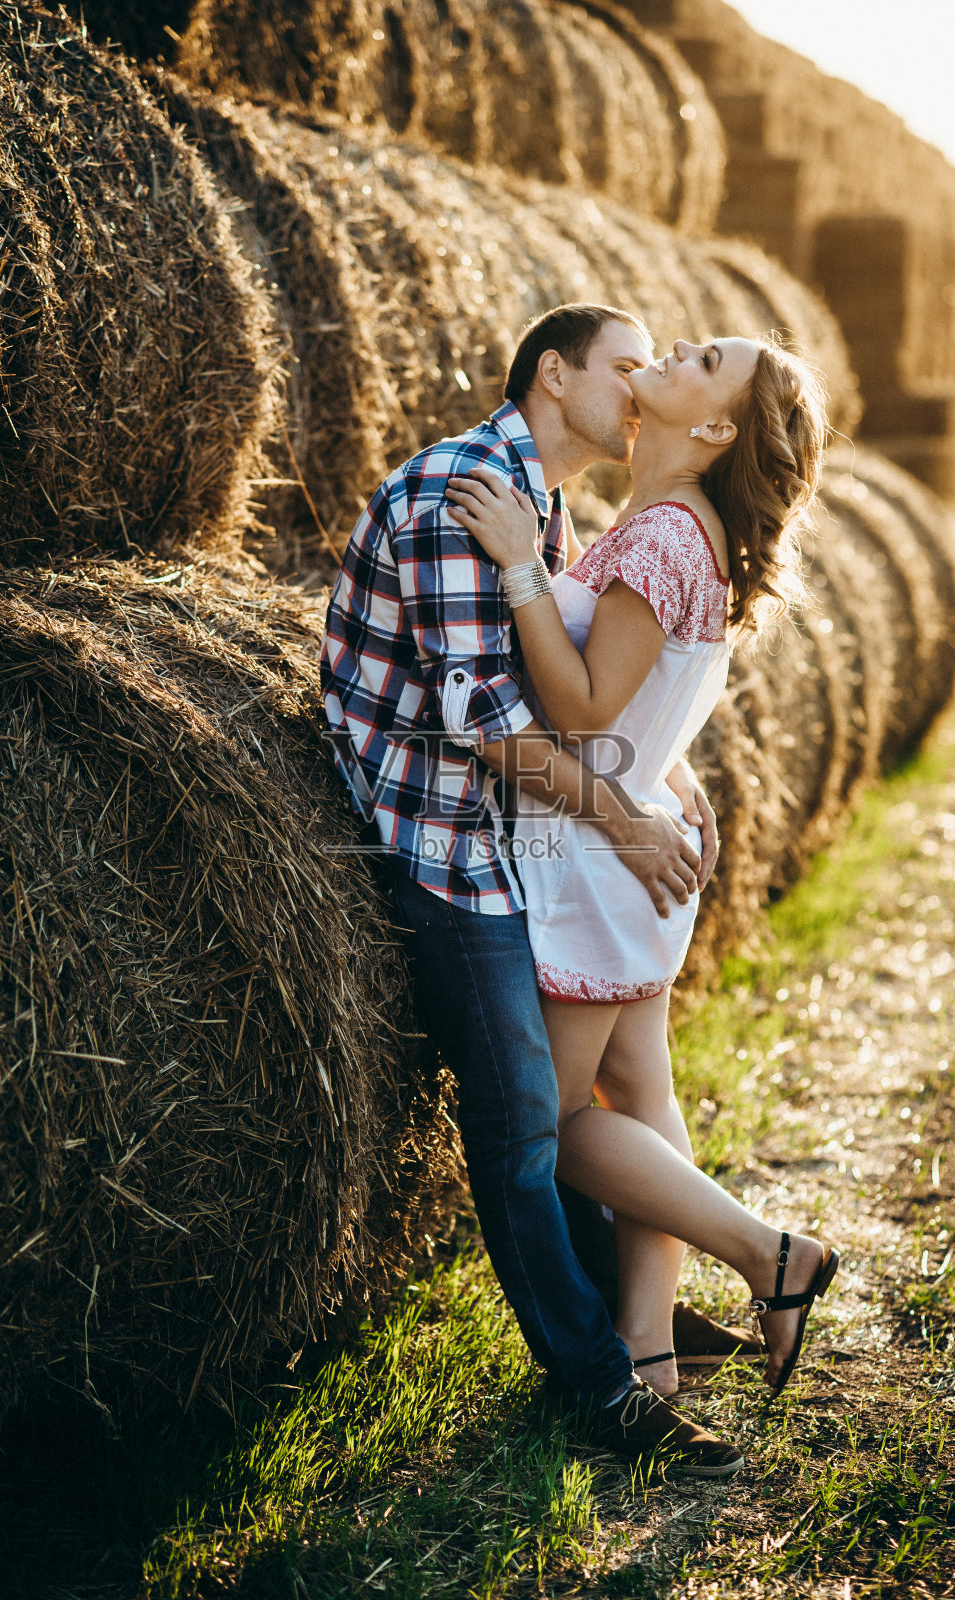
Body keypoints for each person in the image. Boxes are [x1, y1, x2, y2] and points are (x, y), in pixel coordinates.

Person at [321, 304, 745, 1476]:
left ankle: (634, 1307)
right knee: (521, 1121)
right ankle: (604, 1383)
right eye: (625, 363)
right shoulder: (464, 490)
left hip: (511, 829)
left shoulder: (541, 506)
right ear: (553, 377)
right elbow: (481, 719)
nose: (644, 376)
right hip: (438, 831)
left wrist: (664, 773)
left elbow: (574, 684)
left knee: (596, 1093)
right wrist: (625, 808)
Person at [445, 333, 839, 1405]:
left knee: (559, 1121)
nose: (669, 350)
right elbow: (652, 696)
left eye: (701, 358)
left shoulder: (665, 535)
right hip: (632, 843)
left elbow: (580, 707)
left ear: (713, 428)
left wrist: (524, 565)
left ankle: (768, 1253)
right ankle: (649, 1347)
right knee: (643, 1095)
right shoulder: (682, 530)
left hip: (596, 857)